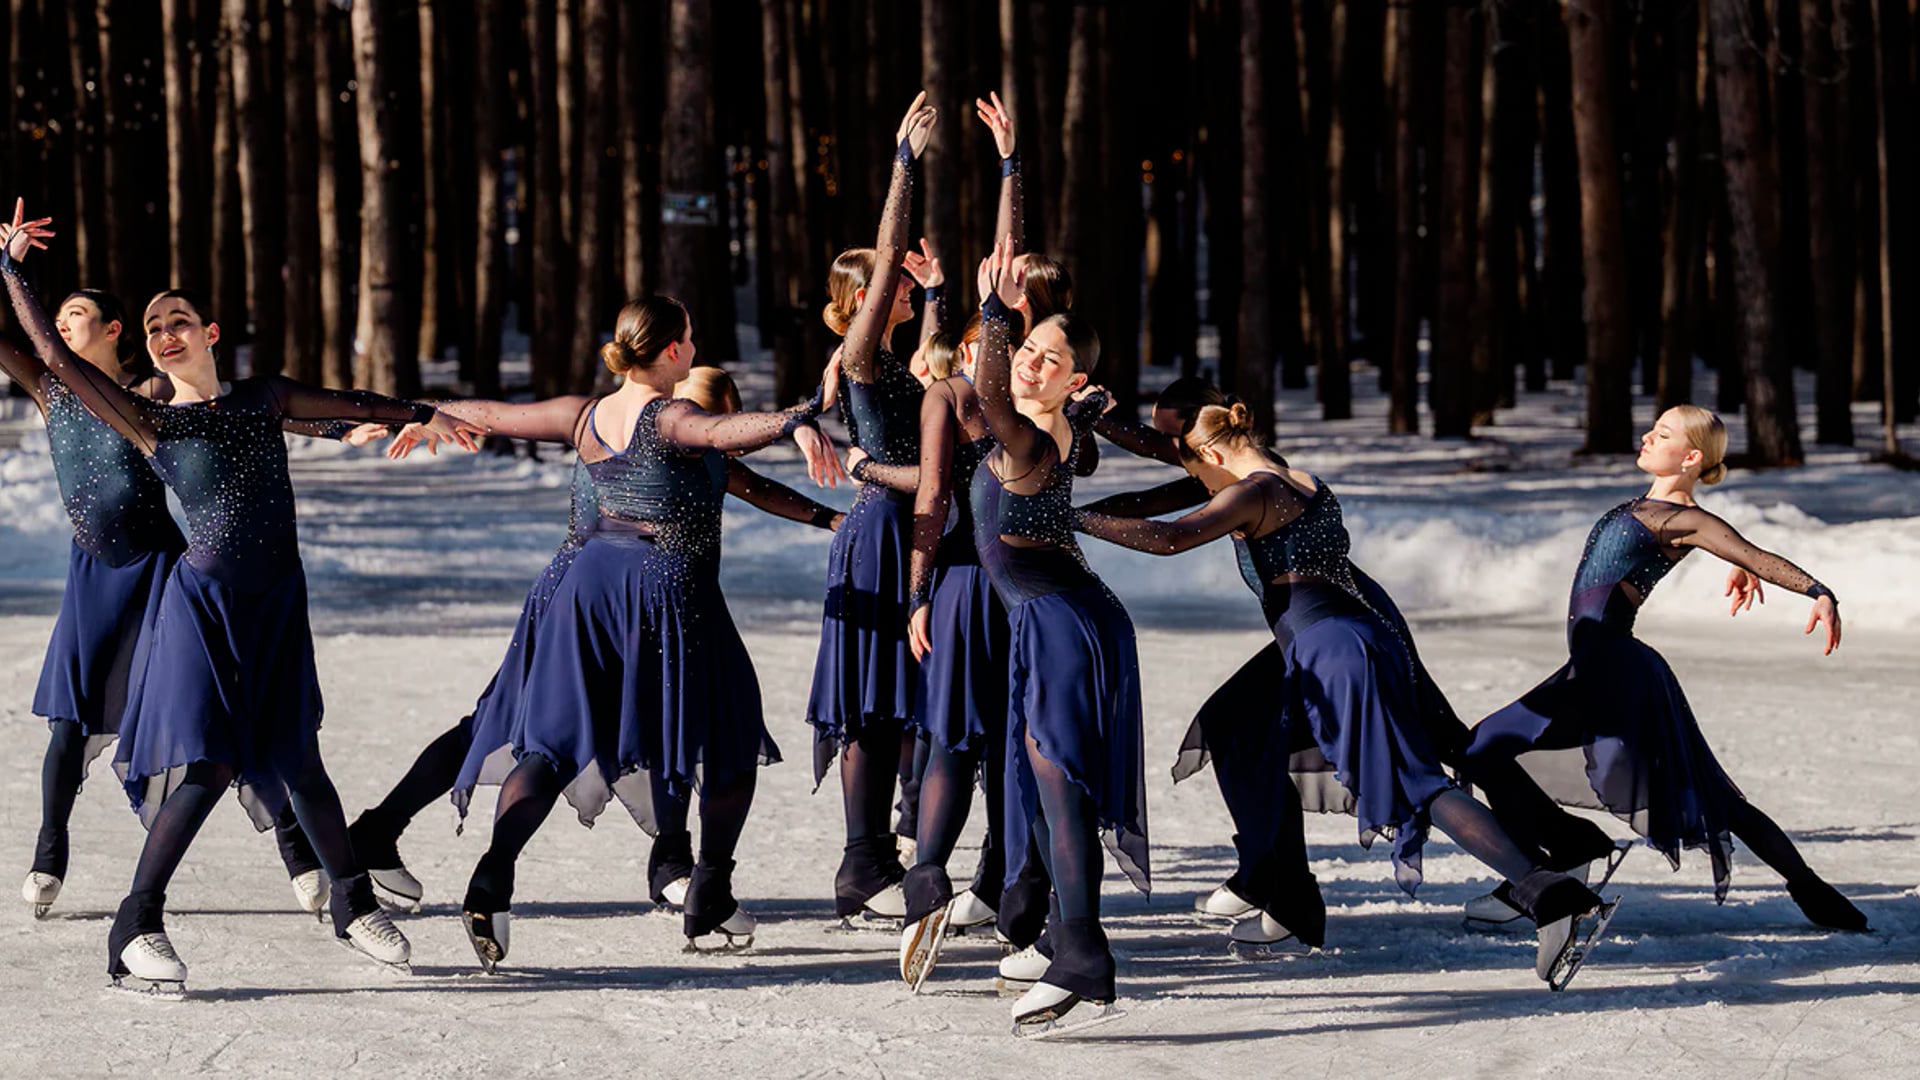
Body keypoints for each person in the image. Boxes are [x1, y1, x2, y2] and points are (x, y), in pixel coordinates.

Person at [1, 201, 482, 992]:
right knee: (211, 764)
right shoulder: (149, 420)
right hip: (204, 607)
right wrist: (13, 269)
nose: (166, 331)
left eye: (179, 318)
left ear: (210, 333)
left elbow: (349, 403)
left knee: (299, 758)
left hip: (277, 605)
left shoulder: (261, 399)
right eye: (155, 325)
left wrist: (423, 414)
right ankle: (137, 921)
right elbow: (52, 354)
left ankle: (350, 904)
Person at [1075, 398, 1620, 992]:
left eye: (1194, 466)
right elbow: (1170, 491)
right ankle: (1283, 893)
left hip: (1332, 651)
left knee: (1414, 784)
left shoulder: (1252, 491)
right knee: (1238, 729)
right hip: (1350, 637)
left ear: (1210, 451)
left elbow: (1172, 537)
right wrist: (1096, 424)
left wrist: (1069, 519)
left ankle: (1551, 894)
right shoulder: (1300, 479)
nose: (1193, 481)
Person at [421, 297, 838, 968]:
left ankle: (492, 874)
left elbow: (493, 414)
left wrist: (420, 414)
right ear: (672, 349)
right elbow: (730, 434)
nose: (695, 349)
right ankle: (711, 894)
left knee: (553, 746)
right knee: (729, 732)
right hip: (664, 582)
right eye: (692, 338)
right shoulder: (670, 414)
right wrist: (801, 417)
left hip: (589, 582)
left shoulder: (582, 415)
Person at [1464, 405, 1867, 933]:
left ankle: (1550, 867)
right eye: (1653, 428)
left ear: (1692, 457)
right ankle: (1563, 853)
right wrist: (1737, 565)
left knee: (1486, 749)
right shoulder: (1650, 509)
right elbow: (1734, 553)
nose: (1648, 436)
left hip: (1614, 668)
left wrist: (1818, 591)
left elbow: (1752, 550)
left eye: (1664, 433)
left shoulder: (1683, 519)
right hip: (1597, 665)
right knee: (1487, 750)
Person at [965, 234, 1146, 1034]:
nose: (1032, 363)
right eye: (1029, 350)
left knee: (1059, 787)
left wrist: (991, 314)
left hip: (1061, 620)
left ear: (1076, 380)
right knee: (1041, 796)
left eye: (1049, 359)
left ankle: (1085, 958)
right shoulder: (1039, 429)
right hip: (1047, 619)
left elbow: (986, 396)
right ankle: (1060, 940)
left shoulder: (1035, 437)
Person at [805, 93, 938, 923]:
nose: (905, 286)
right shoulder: (859, 357)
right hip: (876, 534)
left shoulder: (899, 362)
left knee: (902, 701)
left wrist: (947, 290)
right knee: (870, 700)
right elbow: (889, 248)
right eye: (894, 285)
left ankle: (884, 850)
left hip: (908, 528)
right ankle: (862, 863)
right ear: (868, 297)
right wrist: (903, 164)